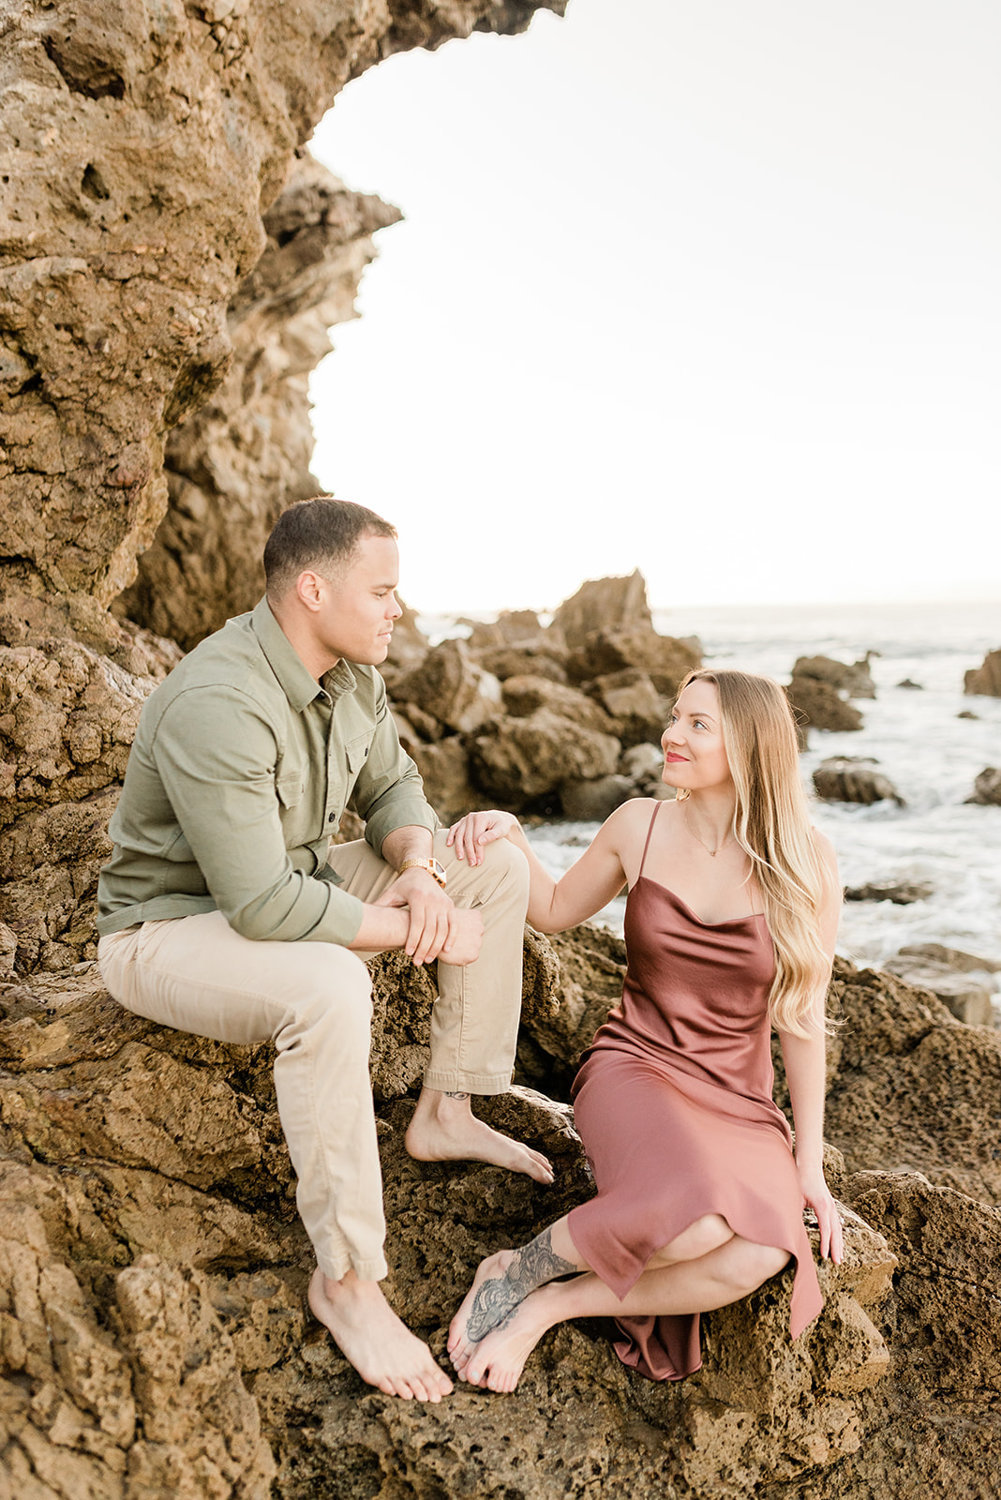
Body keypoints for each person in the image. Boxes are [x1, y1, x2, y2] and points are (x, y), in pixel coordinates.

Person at [96, 496, 552, 1404]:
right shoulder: (218, 700)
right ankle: (346, 1280)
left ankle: (447, 1111)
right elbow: (263, 904)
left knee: (490, 863)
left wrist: (421, 874)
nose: (397, 611)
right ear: (313, 588)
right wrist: (421, 930)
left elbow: (396, 788)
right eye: (382, 591)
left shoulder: (354, 674)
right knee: (331, 984)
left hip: (288, 888)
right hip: (169, 931)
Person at [445, 667, 843, 1394]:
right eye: (674, 716)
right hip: (636, 1065)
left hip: (738, 1098)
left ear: (750, 747)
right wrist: (513, 838)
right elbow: (557, 907)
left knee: (758, 1251)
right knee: (691, 1226)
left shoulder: (807, 862)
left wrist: (808, 1164)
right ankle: (515, 1268)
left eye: (697, 724)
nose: (671, 734)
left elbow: (802, 1019)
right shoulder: (639, 823)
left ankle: (552, 1303)